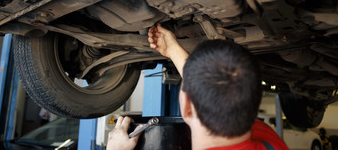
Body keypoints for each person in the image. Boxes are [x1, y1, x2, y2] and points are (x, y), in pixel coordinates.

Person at [107, 24, 289, 150]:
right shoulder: (269, 141)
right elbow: (211, 83)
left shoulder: (267, 136)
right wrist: (172, 50)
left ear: (186, 106)